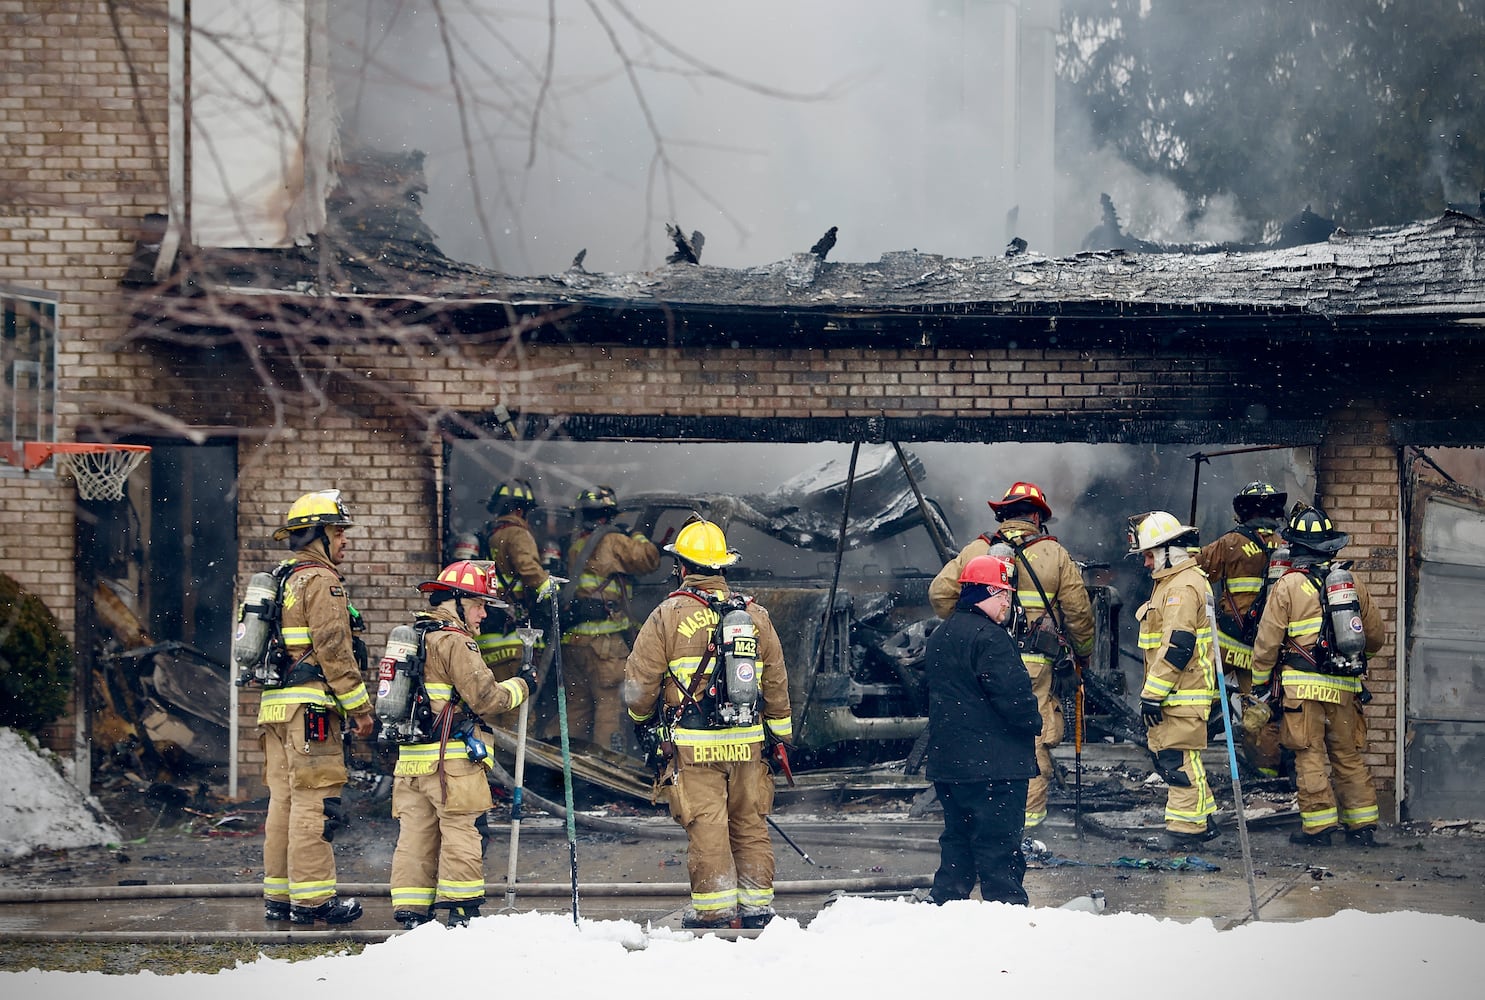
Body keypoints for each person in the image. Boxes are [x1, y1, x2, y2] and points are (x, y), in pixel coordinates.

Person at [623, 517, 793, 929]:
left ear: (681, 567)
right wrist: (779, 738)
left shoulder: (667, 615)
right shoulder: (756, 617)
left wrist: (642, 722)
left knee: (708, 827)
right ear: (722, 568)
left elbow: (639, 683)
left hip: (694, 748)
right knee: (750, 823)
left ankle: (715, 911)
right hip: (749, 744)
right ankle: (756, 910)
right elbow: (776, 682)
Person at [928, 480, 1095, 832]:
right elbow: (1080, 614)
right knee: (1030, 738)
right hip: (1033, 663)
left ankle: (982, 816)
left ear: (1002, 514)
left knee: (980, 727)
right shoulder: (1054, 554)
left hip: (979, 659)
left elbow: (939, 595)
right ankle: (1025, 827)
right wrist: (1082, 656)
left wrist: (970, 628)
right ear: (1037, 516)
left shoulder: (976, 550)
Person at [386, 560, 539, 928]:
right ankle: (460, 909)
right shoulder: (456, 641)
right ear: (454, 601)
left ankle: (411, 911)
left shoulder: (416, 637)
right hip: (450, 759)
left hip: (410, 761)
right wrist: (522, 685)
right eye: (477, 603)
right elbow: (487, 699)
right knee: (460, 830)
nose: (483, 613)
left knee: (415, 835)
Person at [256, 490, 375, 925]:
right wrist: (360, 709)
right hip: (311, 712)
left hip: (275, 710)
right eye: (338, 531)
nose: (344, 540)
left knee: (283, 803)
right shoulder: (322, 582)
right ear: (318, 534)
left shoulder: (284, 580)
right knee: (316, 804)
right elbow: (334, 651)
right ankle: (312, 901)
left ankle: (280, 898)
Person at [1251, 503, 1387, 847]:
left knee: (1309, 753)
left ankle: (1319, 828)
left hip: (1302, 691)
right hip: (1344, 687)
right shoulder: (1351, 582)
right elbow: (1375, 637)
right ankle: (1363, 826)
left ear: (1295, 546)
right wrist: (1356, 661)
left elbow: (1267, 641)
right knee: (1347, 755)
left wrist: (1260, 682)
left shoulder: (1288, 585)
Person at [922, 554, 1042, 906]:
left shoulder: (940, 635)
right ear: (985, 593)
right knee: (998, 851)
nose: (1007, 602)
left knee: (957, 844)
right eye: (1003, 593)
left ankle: (946, 907)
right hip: (994, 767)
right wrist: (1033, 722)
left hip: (950, 765)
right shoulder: (992, 639)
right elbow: (1014, 700)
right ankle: (1006, 918)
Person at [1128, 510, 1220, 852]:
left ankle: (1186, 828)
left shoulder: (1181, 586)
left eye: (1150, 555)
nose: (1147, 563)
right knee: (1184, 758)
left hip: (1182, 693)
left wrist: (1152, 694)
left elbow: (1178, 647)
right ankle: (1203, 817)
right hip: (1182, 692)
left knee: (1177, 761)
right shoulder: (1175, 584)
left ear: (1170, 551)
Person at [1196, 481, 1286, 777]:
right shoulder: (1287, 547)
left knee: (1196, 680)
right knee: (1259, 708)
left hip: (1227, 639)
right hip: (1263, 643)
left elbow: (1196, 572)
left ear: (1243, 511)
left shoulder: (1231, 543)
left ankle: (1196, 730)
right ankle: (1267, 772)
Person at [560, 486, 660, 753]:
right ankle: (608, 769)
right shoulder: (613, 541)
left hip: (574, 643)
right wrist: (638, 536)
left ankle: (572, 767)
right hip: (603, 646)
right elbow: (649, 560)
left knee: (576, 708)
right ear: (608, 515)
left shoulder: (576, 546)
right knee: (609, 707)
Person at [475, 479, 558, 682]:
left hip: (489, 634)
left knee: (493, 701)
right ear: (521, 511)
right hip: (512, 637)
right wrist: (553, 593)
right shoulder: (518, 534)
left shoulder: (487, 536)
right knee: (520, 705)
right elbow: (528, 568)